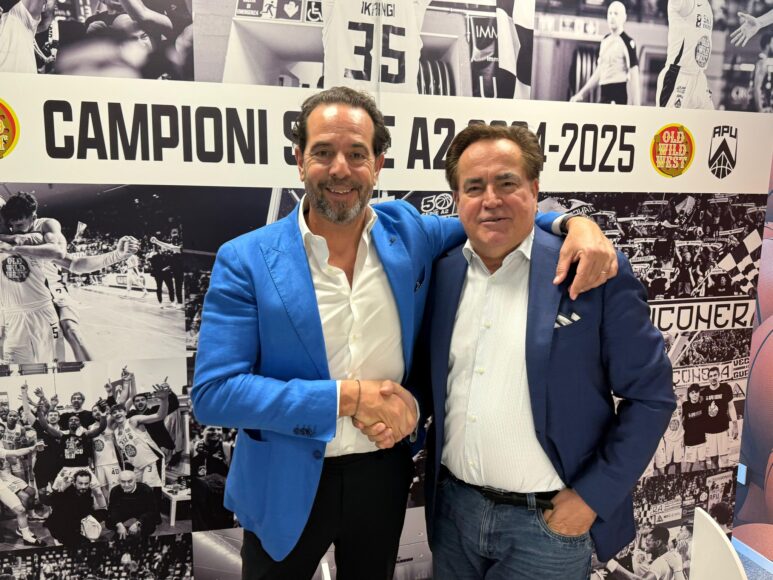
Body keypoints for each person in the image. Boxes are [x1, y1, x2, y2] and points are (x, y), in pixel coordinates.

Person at [192, 86, 618, 579]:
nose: (340, 169)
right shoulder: (246, 258)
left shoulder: (408, 231)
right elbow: (214, 393)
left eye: (357, 154)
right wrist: (347, 398)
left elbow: (496, 215)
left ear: (378, 164)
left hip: (381, 476)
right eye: (323, 152)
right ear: (299, 160)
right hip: (282, 479)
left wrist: (575, 224)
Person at [365, 123, 674, 577]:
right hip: (453, 515)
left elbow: (652, 396)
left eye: (506, 183)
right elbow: (438, 379)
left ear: (534, 188)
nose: (490, 199)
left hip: (547, 528)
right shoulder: (443, 271)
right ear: (457, 199)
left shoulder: (592, 271)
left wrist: (590, 499)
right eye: (474, 187)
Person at [570, 1, 641, 105]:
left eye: (616, 13)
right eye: (610, 13)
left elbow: (634, 74)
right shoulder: (605, 40)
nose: (612, 17)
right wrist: (581, 94)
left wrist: (637, 106)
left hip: (617, 95)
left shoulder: (627, 42)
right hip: (604, 93)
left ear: (624, 17)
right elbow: (600, 71)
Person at [656, 0, 714, 109]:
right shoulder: (684, 3)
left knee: (711, 120)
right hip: (679, 75)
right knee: (667, 120)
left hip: (700, 77)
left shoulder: (707, 5)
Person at [41, 469, 101, 547]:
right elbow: (49, 502)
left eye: (86, 483)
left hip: (77, 520)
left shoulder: (88, 491)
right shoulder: (67, 489)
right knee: (81, 543)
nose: (83, 486)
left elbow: (87, 509)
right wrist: (61, 490)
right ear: (74, 482)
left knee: (102, 513)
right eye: (80, 483)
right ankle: (60, 538)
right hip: (63, 523)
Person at [606, 525, 686, 579]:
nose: (645, 545)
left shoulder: (659, 562)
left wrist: (610, 564)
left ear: (658, 543)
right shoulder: (674, 556)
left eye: (648, 542)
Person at [107, 470, 160, 539]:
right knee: (110, 522)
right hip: (124, 515)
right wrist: (119, 524)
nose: (126, 485)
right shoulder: (115, 490)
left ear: (135, 480)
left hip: (142, 516)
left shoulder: (145, 490)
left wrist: (138, 523)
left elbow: (152, 511)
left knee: (147, 527)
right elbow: (112, 510)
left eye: (130, 481)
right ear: (119, 481)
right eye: (123, 482)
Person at [702, 367, 738, 469]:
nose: (713, 378)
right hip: (710, 432)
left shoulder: (726, 388)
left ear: (719, 376)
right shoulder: (704, 393)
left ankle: (726, 477)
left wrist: (735, 425)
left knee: (725, 460)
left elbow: (731, 407)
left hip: (723, 429)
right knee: (714, 461)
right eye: (710, 376)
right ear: (708, 378)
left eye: (715, 375)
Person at [681, 383, 707, 472]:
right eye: (692, 393)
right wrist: (682, 439)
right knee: (689, 465)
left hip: (701, 440)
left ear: (699, 393)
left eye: (696, 392)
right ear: (689, 394)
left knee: (703, 464)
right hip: (689, 441)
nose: (695, 394)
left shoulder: (702, 405)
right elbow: (681, 421)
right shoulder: (685, 405)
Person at [753, 32, 773, 113]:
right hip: (763, 110)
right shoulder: (762, 62)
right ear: (767, 45)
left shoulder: (763, 61)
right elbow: (757, 87)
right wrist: (760, 109)